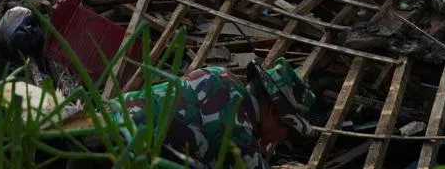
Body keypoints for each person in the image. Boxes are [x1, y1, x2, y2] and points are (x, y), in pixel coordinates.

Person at [112, 58, 314, 169]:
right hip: (116, 148)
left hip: (104, 116)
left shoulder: (220, 74)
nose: (283, 137)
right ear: (272, 111)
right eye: (288, 129)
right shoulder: (237, 131)